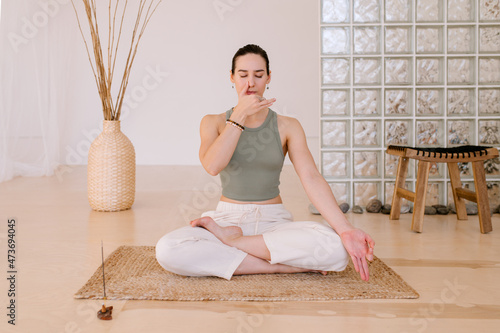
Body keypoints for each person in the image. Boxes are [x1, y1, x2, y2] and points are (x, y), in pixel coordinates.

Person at [156, 44, 375, 281]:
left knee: (336, 248)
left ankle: (236, 245)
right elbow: (212, 165)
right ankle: (279, 266)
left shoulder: (288, 126)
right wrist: (239, 115)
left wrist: (345, 230)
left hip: (274, 222)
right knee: (169, 249)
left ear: (268, 78)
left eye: (258, 75)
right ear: (232, 77)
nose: (250, 83)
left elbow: (311, 177)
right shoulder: (214, 122)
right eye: (243, 75)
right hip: (226, 219)